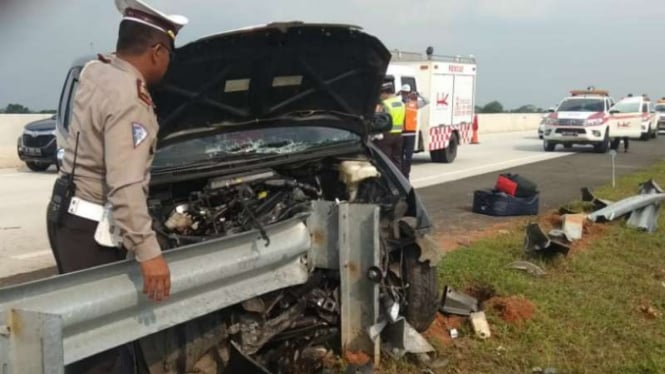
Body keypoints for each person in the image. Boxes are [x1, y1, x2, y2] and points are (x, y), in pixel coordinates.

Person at [45, 0, 187, 372]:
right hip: (91, 231)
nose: (169, 63)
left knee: (85, 332)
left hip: (65, 215)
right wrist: (149, 253)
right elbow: (125, 186)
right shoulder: (131, 100)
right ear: (156, 51)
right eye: (168, 53)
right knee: (101, 350)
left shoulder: (97, 71)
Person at [374, 82, 406, 170]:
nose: (380, 96)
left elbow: (379, 120)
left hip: (386, 135)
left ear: (385, 93)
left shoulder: (385, 104)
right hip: (399, 135)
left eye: (381, 94)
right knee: (397, 160)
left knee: (384, 160)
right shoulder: (401, 104)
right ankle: (397, 179)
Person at [400, 85, 429, 179]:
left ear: (409, 93)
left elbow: (427, 101)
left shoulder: (414, 104)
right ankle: (400, 173)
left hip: (411, 133)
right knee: (399, 155)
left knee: (408, 156)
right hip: (400, 133)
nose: (405, 94)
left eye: (407, 93)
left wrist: (419, 94)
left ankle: (406, 174)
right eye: (403, 93)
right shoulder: (398, 103)